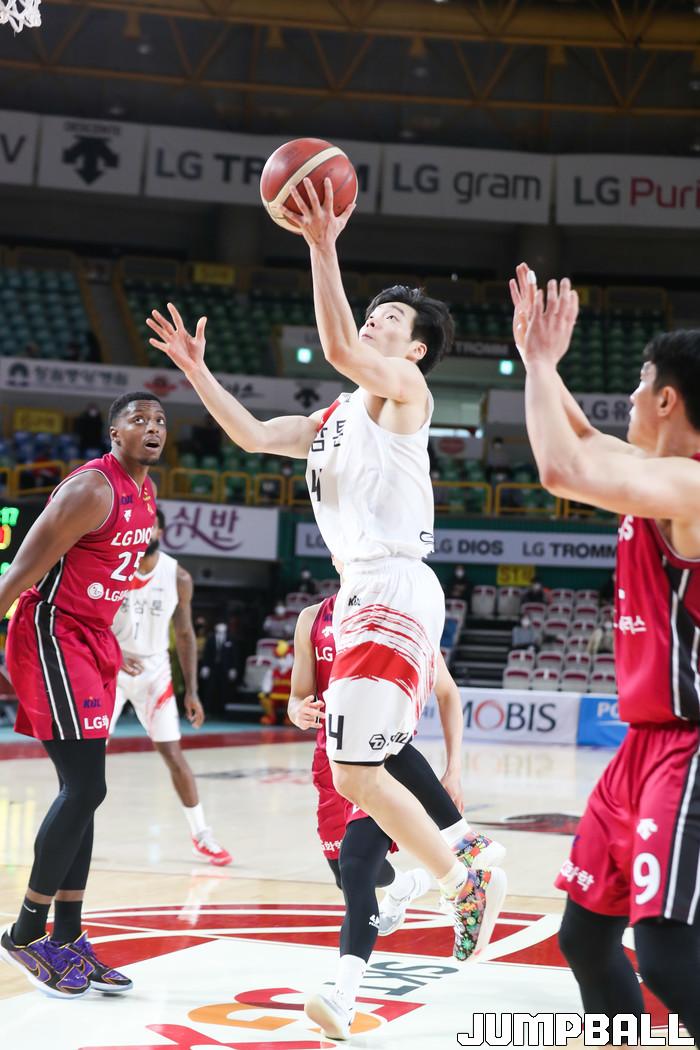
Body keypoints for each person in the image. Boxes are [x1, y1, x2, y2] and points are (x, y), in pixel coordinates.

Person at [146, 177, 506, 1034]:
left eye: (391, 320)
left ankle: (462, 876)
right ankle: (464, 862)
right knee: (357, 772)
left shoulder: (404, 393)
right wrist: (197, 372)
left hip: (394, 583)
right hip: (361, 592)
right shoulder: (335, 415)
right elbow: (249, 435)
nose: (376, 324)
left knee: (356, 774)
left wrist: (321, 244)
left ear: (415, 349)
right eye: (373, 314)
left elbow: (342, 345)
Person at [511, 261, 700, 1043]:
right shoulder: (654, 472)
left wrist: (542, 365)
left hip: (690, 749)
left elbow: (562, 468)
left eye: (639, 383)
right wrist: (536, 361)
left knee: (666, 957)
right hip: (640, 749)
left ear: (667, 400)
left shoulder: (692, 488)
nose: (626, 398)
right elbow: (583, 440)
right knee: (585, 939)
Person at [0, 392, 164, 998]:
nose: (152, 428)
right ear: (114, 433)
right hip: (52, 632)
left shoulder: (145, 492)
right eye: (139, 420)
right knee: (85, 787)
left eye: (160, 421)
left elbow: (105, 578)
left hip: (91, 639)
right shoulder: (92, 488)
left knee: (86, 793)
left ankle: (68, 937)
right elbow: (22, 570)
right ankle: (25, 933)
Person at [289, 587, 505, 1039]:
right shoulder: (313, 618)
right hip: (330, 766)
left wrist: (454, 770)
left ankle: (343, 1000)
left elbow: (447, 692)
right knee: (343, 872)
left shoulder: (399, 614)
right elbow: (296, 698)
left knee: (356, 871)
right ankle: (408, 884)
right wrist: (299, 711)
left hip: (379, 761)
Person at [110, 508, 231, 867]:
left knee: (173, 753)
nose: (143, 530)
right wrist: (112, 653)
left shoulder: (177, 576)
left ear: (159, 531)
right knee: (88, 755)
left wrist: (191, 691)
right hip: (111, 666)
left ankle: (202, 835)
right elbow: (92, 620)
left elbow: (185, 634)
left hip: (154, 670)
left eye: (149, 525)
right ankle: (73, 828)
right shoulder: (113, 566)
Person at [198, 622, 238, 717]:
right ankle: (208, 709)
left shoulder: (230, 639)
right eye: (219, 631)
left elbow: (234, 654)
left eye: (222, 631)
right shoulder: (211, 639)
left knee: (223, 689)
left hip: (225, 668)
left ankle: (222, 710)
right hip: (213, 667)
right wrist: (205, 666)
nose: (220, 633)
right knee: (210, 688)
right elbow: (206, 653)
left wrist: (233, 668)